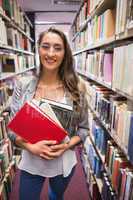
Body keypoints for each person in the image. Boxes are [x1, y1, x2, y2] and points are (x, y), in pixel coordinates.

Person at [9, 27, 89, 200]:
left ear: (64, 53)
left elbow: (83, 130)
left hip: (63, 163)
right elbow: (12, 131)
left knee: (56, 196)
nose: (51, 53)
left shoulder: (77, 88)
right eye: (45, 46)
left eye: (57, 48)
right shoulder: (23, 85)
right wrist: (31, 147)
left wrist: (66, 146)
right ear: (38, 49)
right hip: (32, 161)